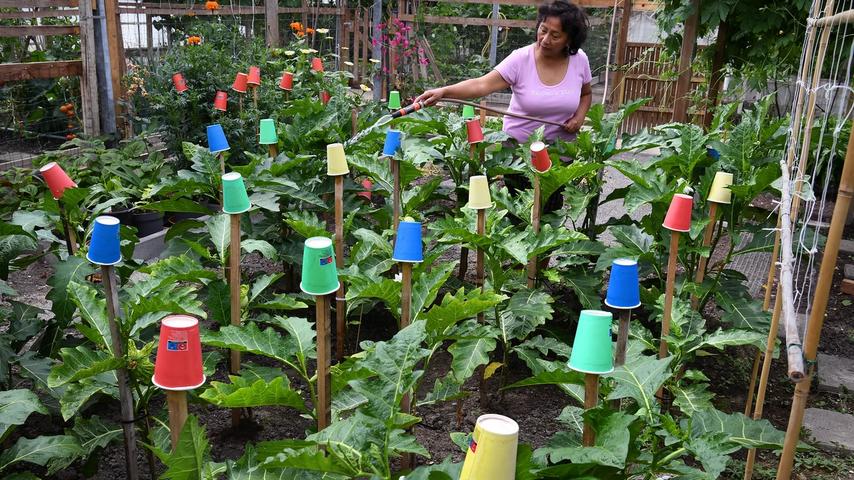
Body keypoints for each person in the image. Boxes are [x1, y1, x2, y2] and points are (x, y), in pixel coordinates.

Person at [415, 0, 592, 144]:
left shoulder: (579, 60)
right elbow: (481, 85)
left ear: (570, 39)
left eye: (555, 36)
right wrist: (444, 91)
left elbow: (586, 94)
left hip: (562, 151)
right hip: (519, 153)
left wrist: (579, 117)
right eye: (543, 30)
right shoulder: (521, 59)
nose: (545, 39)